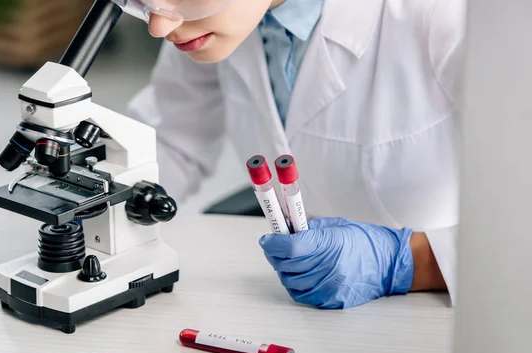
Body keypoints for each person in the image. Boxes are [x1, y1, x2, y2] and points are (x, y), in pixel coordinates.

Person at [126, 0, 466, 309]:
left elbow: (519, 236)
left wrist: (402, 261)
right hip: (302, 311)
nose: (158, 27)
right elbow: (172, 142)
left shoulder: (450, 13)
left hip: (451, 315)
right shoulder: (204, 17)